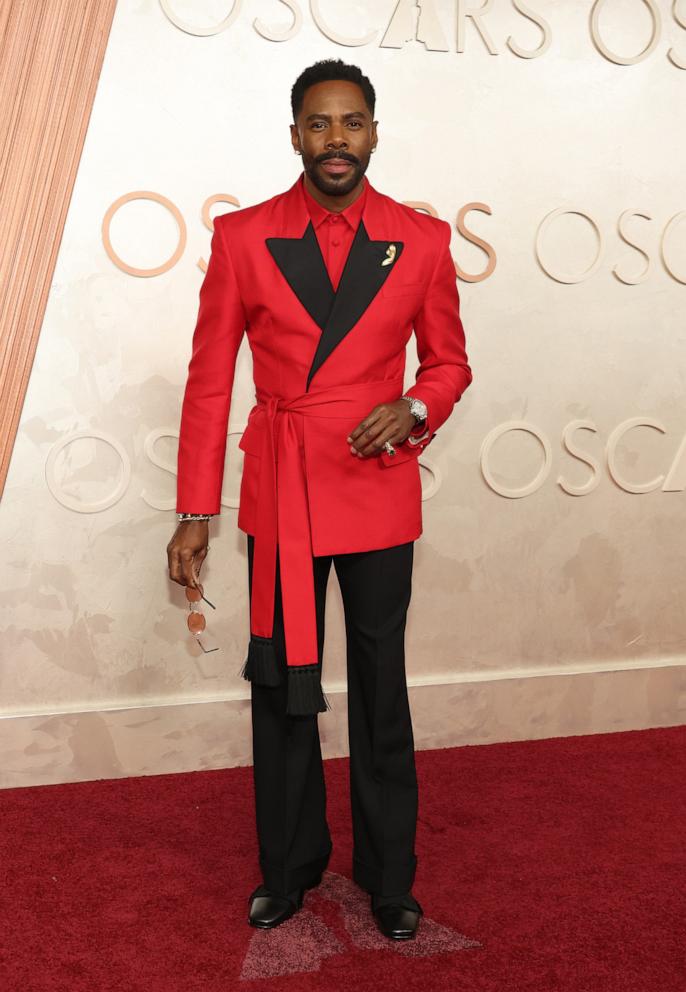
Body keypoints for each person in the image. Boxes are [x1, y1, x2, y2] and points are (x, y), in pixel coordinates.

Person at [167, 58, 471, 941]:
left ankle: (389, 878)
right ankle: (289, 867)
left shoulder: (422, 239)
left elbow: (448, 364)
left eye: (352, 123)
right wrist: (197, 511)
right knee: (280, 687)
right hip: (285, 491)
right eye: (318, 123)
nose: (335, 139)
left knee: (383, 687)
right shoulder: (242, 237)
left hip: (375, 491)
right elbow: (207, 382)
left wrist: (414, 406)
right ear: (294, 133)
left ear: (375, 132)